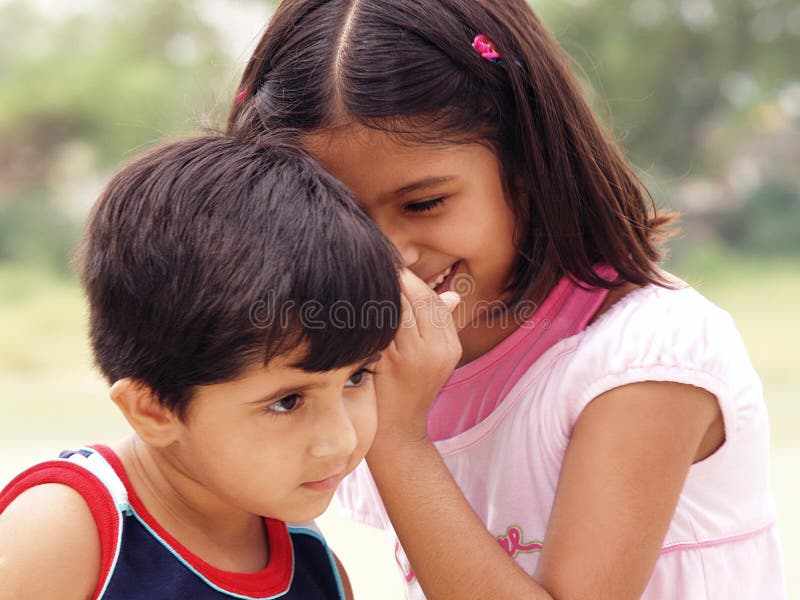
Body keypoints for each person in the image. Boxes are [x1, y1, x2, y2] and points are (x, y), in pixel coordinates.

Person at [226, 0, 787, 598]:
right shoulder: (370, 360)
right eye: (340, 213)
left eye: (424, 204)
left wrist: (398, 437)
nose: (391, 256)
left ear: (525, 163)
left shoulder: (649, 357)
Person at [0, 135, 408, 599]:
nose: (342, 439)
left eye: (357, 377)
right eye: (287, 401)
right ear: (153, 409)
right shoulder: (68, 533)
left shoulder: (319, 572)